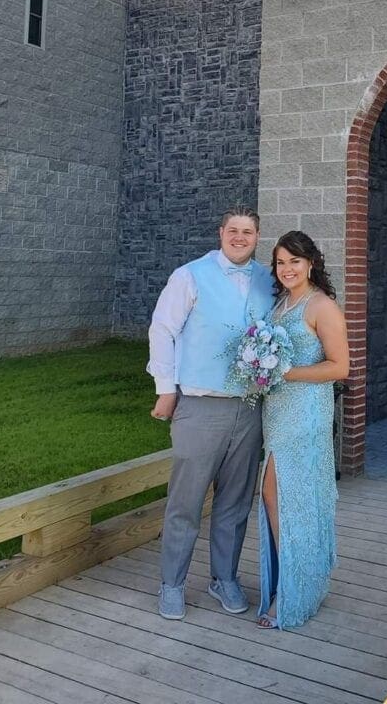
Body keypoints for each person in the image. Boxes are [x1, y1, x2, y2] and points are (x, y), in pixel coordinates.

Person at [147, 207, 275, 620]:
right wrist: (165, 390)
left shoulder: (267, 280)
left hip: (249, 407)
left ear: (257, 237)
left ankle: (225, 578)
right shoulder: (189, 275)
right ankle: (172, 584)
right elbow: (162, 330)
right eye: (233, 230)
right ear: (221, 233)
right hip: (200, 404)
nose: (240, 237)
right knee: (185, 501)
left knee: (236, 502)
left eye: (248, 232)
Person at [257, 230, 350, 629]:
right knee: (284, 497)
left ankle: (293, 591)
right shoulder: (279, 305)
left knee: (280, 494)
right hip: (276, 411)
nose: (287, 269)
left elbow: (339, 367)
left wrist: (284, 371)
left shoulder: (322, 306)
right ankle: (296, 581)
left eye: (295, 261)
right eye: (280, 262)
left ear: (310, 263)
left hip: (306, 412)